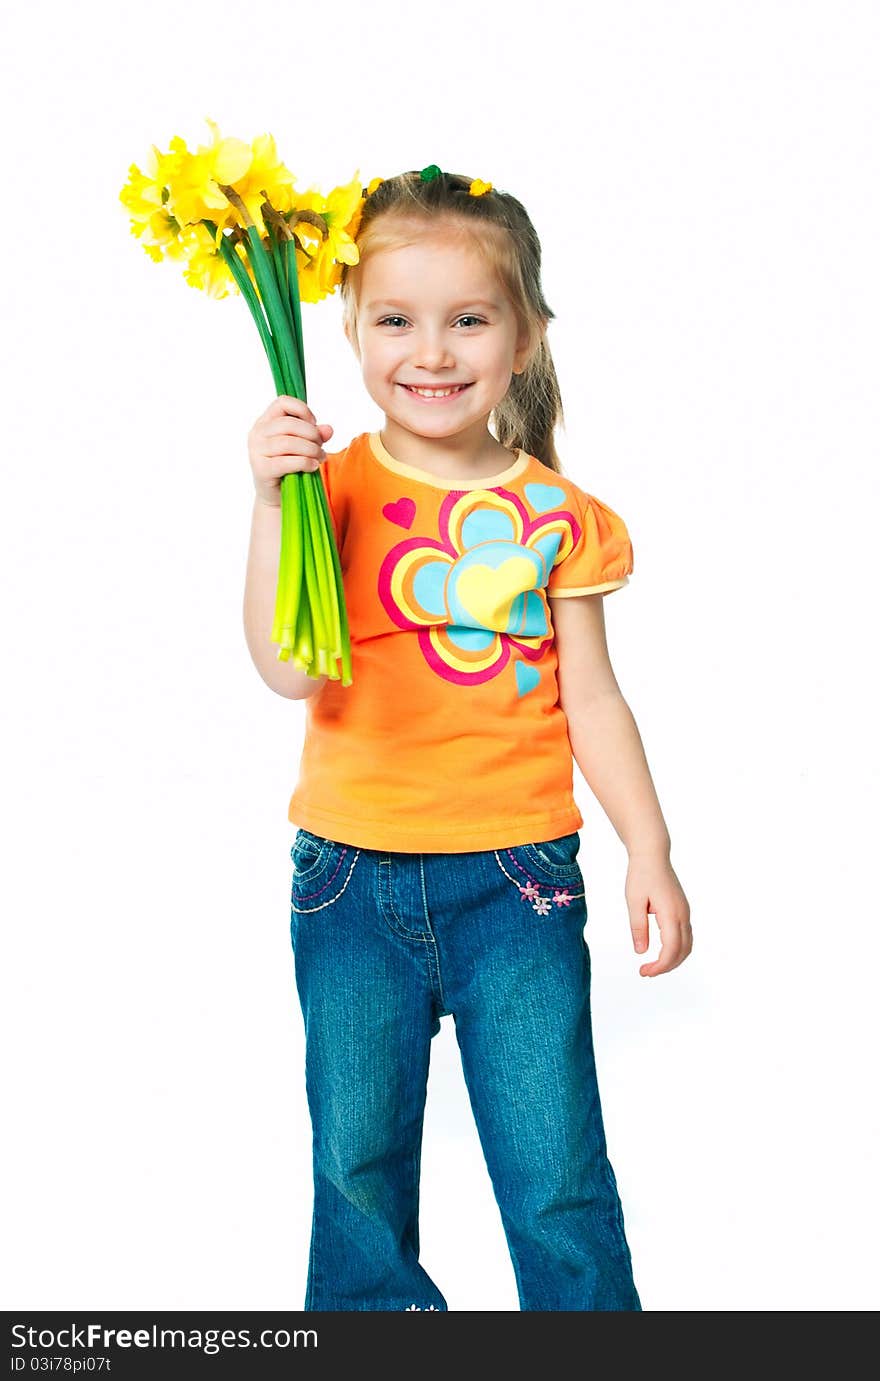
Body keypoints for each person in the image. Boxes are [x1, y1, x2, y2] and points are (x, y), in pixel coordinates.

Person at [243, 166, 692, 1312]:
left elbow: (594, 699)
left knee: (555, 1181)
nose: (430, 351)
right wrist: (266, 502)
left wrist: (649, 849)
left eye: (468, 320)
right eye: (395, 319)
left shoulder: (561, 515)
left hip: (519, 887)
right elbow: (289, 668)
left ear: (525, 335)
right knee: (356, 1174)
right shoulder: (326, 490)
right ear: (350, 328)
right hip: (349, 879)